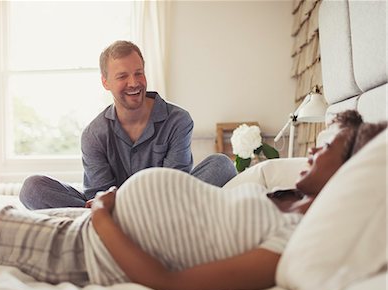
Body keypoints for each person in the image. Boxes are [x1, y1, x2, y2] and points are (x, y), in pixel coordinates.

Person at [0, 110, 385, 290]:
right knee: (13, 194)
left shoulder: (294, 241)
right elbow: (100, 185)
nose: (310, 150)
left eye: (324, 145)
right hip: (96, 217)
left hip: (91, 246)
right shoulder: (285, 206)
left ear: (352, 171)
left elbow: (173, 284)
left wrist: (105, 218)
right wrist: (103, 206)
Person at [19, 40, 237, 209]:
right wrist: (106, 207)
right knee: (32, 188)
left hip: (166, 203)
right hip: (112, 208)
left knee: (221, 164)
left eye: (138, 73)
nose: (134, 83)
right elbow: (100, 194)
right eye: (122, 76)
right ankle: (114, 221)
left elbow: (175, 185)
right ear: (106, 82)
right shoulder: (93, 134)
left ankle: (113, 221)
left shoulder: (179, 120)